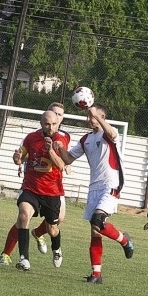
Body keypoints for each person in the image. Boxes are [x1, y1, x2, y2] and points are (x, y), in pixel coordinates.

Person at [56, 103, 133, 284]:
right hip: (94, 187)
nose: (89, 119)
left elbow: (112, 134)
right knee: (95, 230)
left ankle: (125, 241)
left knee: (98, 220)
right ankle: (96, 275)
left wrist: (96, 116)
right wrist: (59, 148)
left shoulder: (108, 133)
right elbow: (68, 159)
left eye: (92, 116)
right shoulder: (86, 139)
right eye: (88, 116)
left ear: (102, 117)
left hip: (111, 184)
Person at [0, 102, 71, 267]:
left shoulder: (61, 139)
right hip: (31, 187)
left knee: (53, 227)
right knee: (23, 216)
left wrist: (51, 150)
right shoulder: (31, 137)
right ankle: (23, 259)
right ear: (41, 123)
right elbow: (21, 156)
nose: (51, 127)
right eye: (47, 123)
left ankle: (55, 247)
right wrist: (17, 158)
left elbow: (61, 165)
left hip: (52, 190)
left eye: (55, 122)